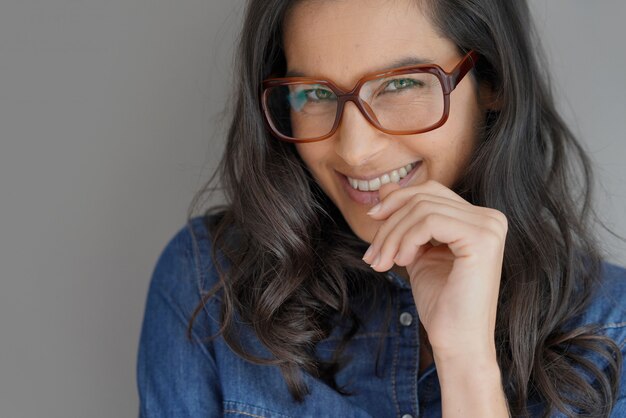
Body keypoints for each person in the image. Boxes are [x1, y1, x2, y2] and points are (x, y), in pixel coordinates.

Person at [136, 0, 626, 416]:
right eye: (315, 94)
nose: (354, 150)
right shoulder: (206, 284)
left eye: (400, 84)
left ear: (492, 80)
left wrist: (467, 364)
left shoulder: (613, 328)